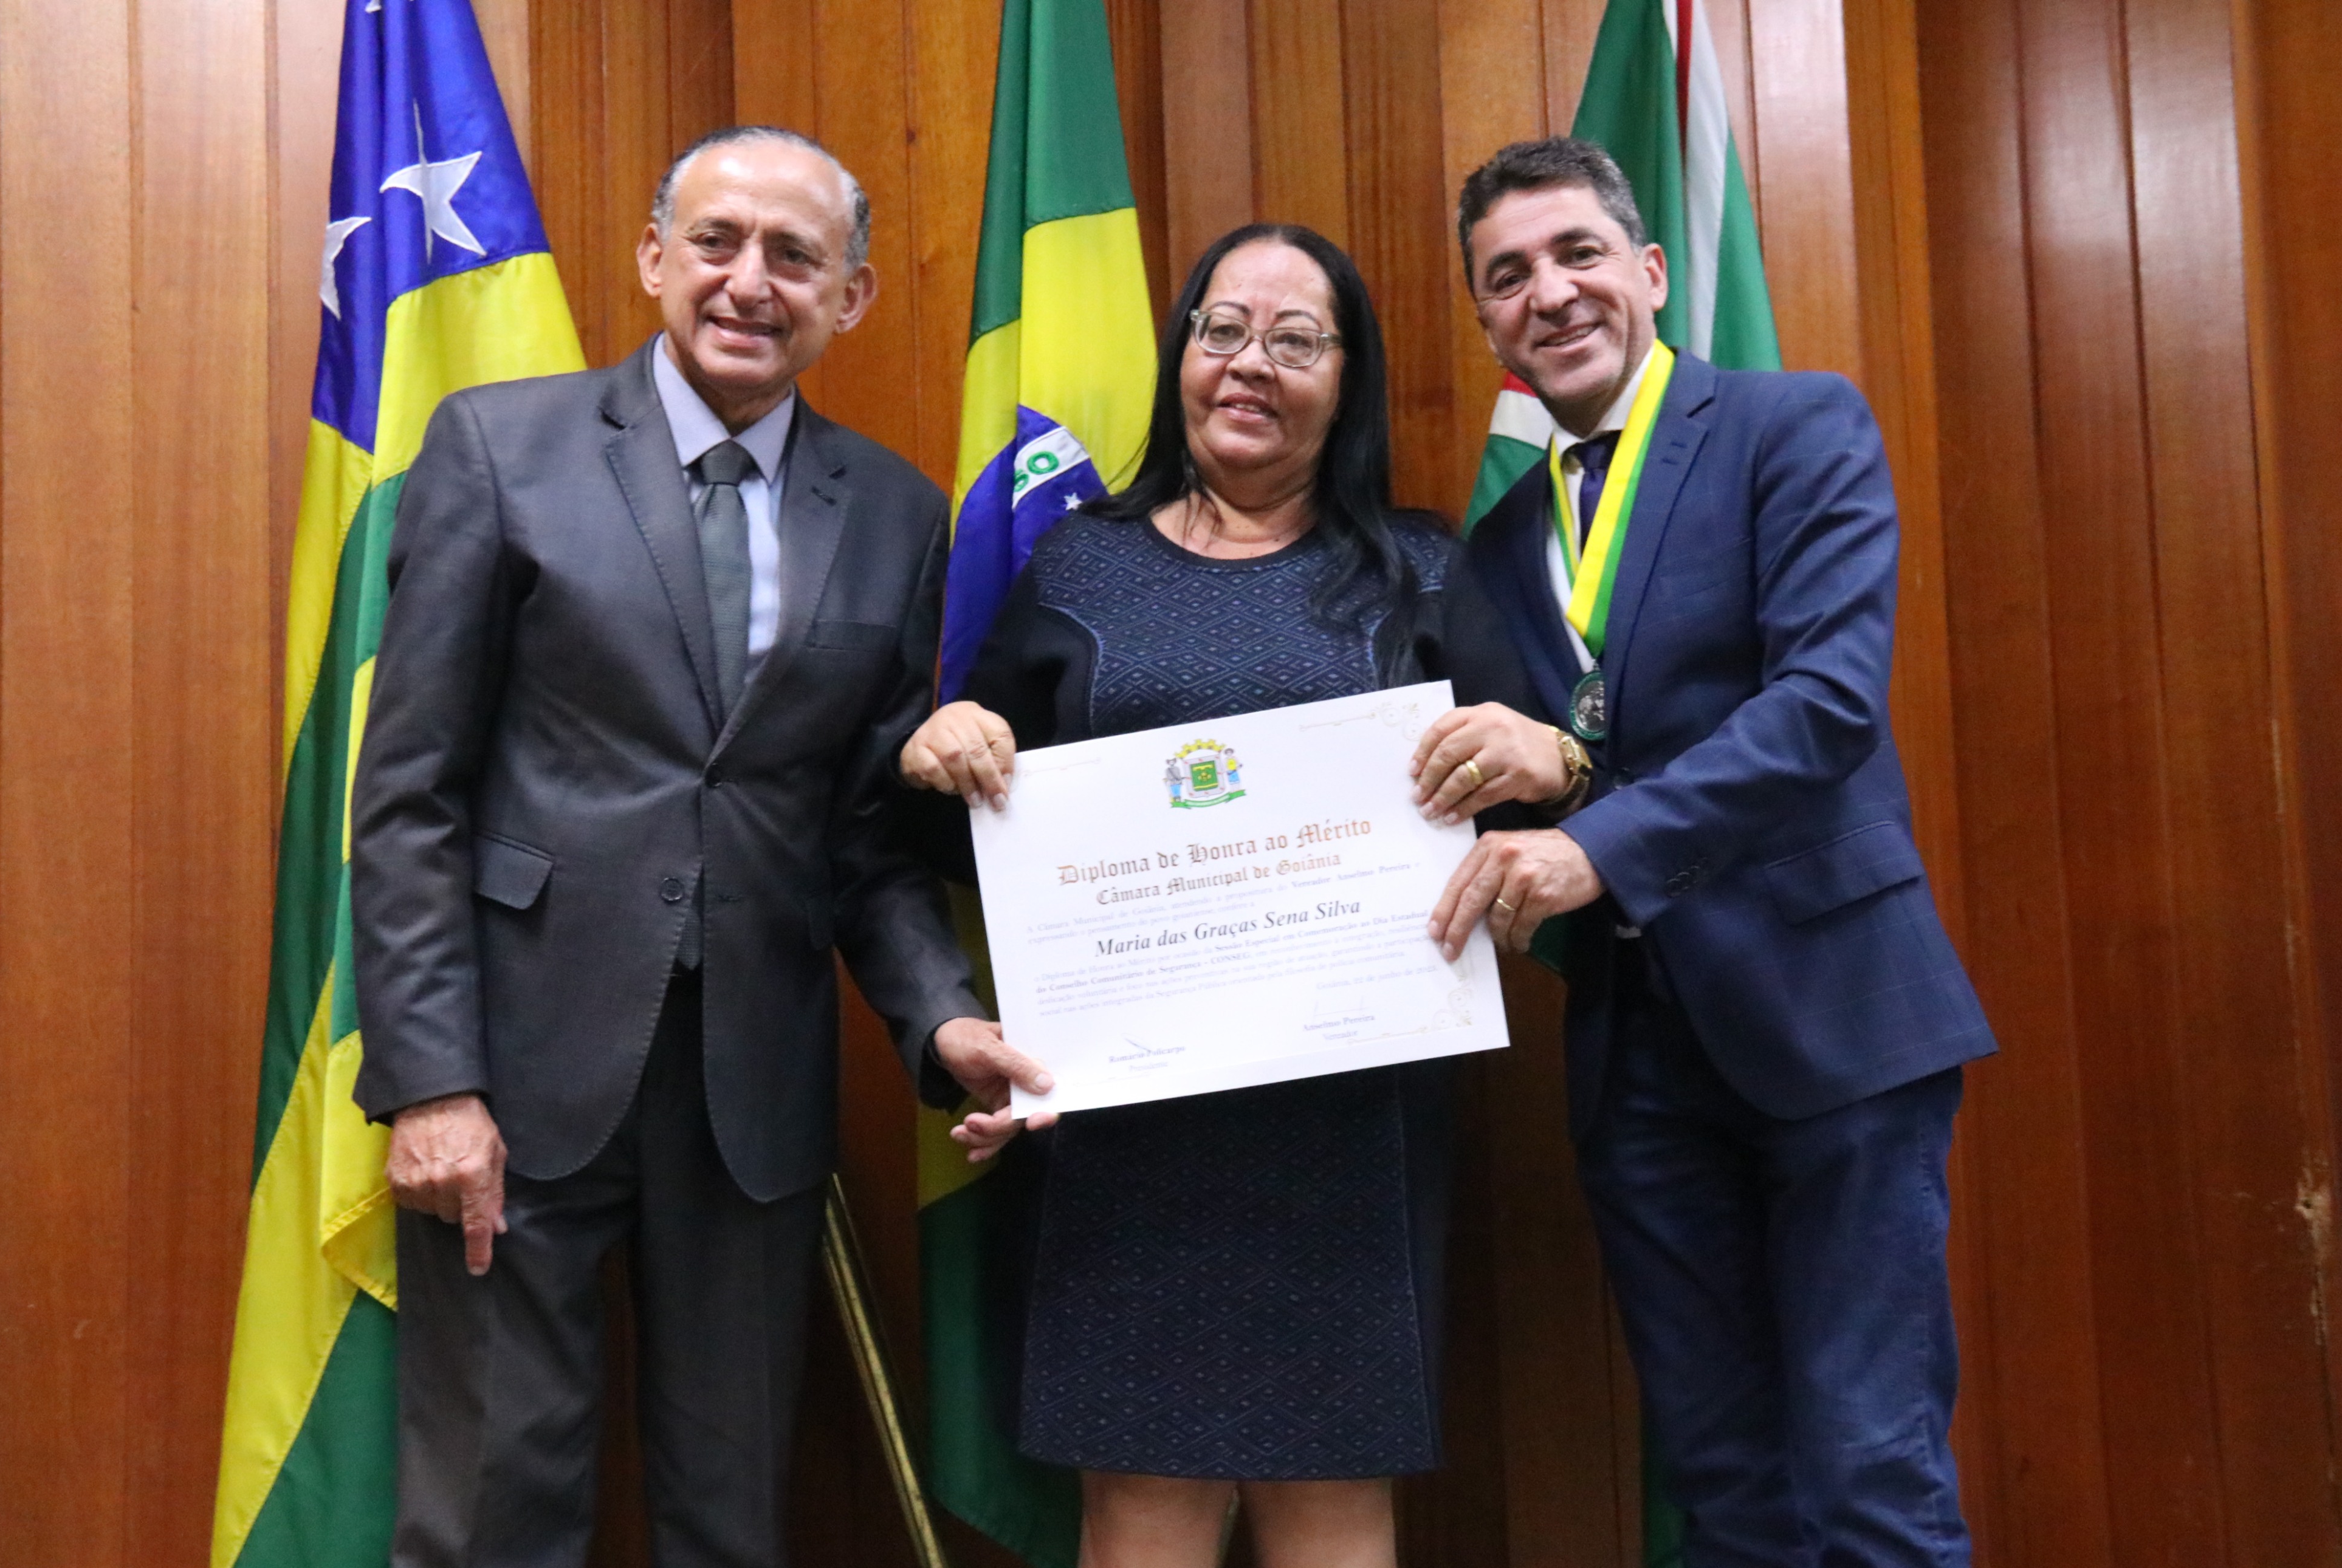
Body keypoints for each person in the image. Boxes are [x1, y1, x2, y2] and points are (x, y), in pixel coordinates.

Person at [349, 125, 1043, 1567]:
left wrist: (942, 1020)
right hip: (513, 1071)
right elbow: (411, 793)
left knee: (730, 1522)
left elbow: (864, 840)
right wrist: (432, 1081)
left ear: (850, 296)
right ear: (654, 257)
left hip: (752, 1088)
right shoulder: (499, 448)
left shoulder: (898, 514)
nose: (749, 282)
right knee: (490, 1513)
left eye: (794, 255)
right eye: (716, 243)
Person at [900, 224, 1581, 1568]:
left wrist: (1551, 757)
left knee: (1331, 1504)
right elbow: (963, 831)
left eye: (1295, 339)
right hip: (1128, 1132)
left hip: (1350, 1128)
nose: (1250, 364)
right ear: (1182, 355)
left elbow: (1526, 818)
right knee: (1139, 1507)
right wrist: (940, 747)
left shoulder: (1424, 570)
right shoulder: (1077, 566)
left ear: (1349, 376)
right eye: (1222, 330)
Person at [1421, 136, 1996, 1565]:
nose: (1550, 293)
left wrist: (1595, 841)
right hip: (1638, 1059)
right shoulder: (1493, 549)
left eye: (1577, 253)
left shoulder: (1792, 426)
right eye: (1508, 276)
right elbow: (1521, 770)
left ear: (1652, 270)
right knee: (1724, 1489)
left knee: (1868, 1470)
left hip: (1832, 1016)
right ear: (1486, 323)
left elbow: (1825, 704)